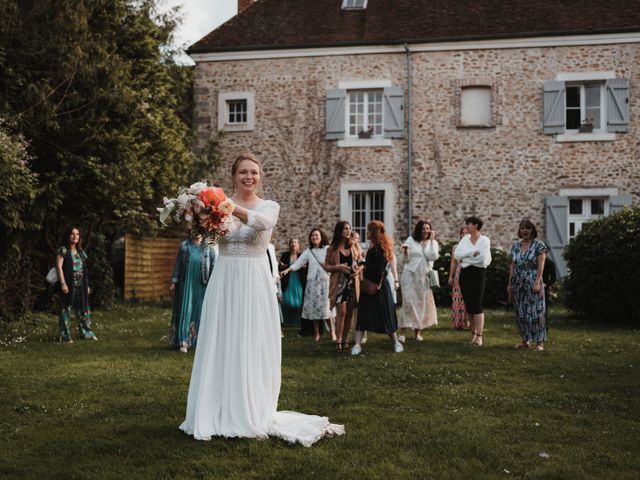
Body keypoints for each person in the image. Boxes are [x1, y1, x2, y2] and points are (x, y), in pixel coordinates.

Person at [179, 152, 344, 446]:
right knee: (223, 339)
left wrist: (226, 207)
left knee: (251, 341)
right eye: (243, 172)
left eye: (254, 172)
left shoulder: (269, 206)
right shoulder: (215, 204)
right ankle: (215, 407)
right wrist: (198, 211)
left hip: (254, 280)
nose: (249, 177)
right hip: (225, 278)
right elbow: (204, 234)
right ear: (234, 175)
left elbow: (261, 222)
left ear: (260, 176)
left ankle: (251, 407)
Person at [351, 220, 403, 355]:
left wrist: (363, 261)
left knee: (385, 314)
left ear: (373, 233)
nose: (366, 232)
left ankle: (396, 343)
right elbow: (369, 266)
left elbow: (379, 269)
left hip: (380, 287)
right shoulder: (372, 246)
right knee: (363, 314)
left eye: (368, 230)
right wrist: (362, 265)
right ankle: (357, 345)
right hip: (368, 284)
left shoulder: (381, 248)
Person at [281, 228, 332, 342]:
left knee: (326, 308)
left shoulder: (328, 249)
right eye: (312, 235)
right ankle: (316, 334)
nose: (314, 237)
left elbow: (334, 261)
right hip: (312, 284)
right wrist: (288, 270)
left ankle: (332, 332)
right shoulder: (308, 251)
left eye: (316, 235)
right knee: (313, 310)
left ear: (321, 236)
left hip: (324, 283)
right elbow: (298, 263)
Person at [169, 235, 217, 353]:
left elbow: (214, 266)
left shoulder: (208, 247)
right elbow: (178, 265)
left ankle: (196, 340)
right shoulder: (184, 246)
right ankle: (183, 341)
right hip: (186, 283)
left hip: (202, 283)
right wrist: (173, 282)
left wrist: (213, 284)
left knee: (199, 311)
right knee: (185, 310)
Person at [507, 220, 547, 351]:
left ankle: (539, 343)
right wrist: (510, 284)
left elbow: (541, 265)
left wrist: (537, 282)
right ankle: (525, 340)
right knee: (521, 312)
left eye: (528, 228)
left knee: (537, 312)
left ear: (532, 230)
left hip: (533, 280)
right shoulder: (515, 246)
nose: (525, 231)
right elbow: (513, 265)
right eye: (522, 228)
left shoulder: (539, 245)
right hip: (518, 282)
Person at [398, 220, 439, 342]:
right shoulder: (411, 240)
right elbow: (405, 260)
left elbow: (433, 256)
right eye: (423, 229)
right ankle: (402, 333)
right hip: (410, 275)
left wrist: (431, 240)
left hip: (424, 276)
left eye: (428, 228)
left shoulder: (434, 243)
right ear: (419, 230)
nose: (426, 231)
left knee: (421, 304)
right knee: (408, 303)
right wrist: (405, 252)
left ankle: (417, 333)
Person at [454, 216, 492, 346]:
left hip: (478, 273)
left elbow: (482, 259)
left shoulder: (484, 240)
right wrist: (471, 254)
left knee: (477, 304)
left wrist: (466, 257)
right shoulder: (465, 239)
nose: (466, 227)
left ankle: (480, 336)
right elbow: (457, 255)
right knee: (469, 306)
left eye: (468, 224)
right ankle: (473, 334)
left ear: (475, 225)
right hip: (465, 273)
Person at [55, 227, 97, 343]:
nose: (75, 236)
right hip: (68, 285)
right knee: (65, 310)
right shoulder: (63, 250)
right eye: (72, 234)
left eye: (77, 234)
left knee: (84, 310)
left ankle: (87, 333)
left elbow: (84, 271)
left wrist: (86, 285)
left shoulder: (80, 252)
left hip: (81, 286)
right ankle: (65, 337)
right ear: (68, 236)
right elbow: (58, 267)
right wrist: (63, 283)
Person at [324, 221, 361, 352]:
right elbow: (326, 266)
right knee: (342, 312)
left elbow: (361, 262)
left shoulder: (354, 246)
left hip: (351, 282)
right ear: (339, 231)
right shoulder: (331, 249)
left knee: (350, 312)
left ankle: (345, 339)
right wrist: (338, 267)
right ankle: (338, 340)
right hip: (339, 283)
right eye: (345, 228)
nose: (348, 231)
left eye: (350, 228)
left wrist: (358, 270)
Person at [279, 238, 306, 330]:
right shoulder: (285, 255)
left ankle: (297, 323)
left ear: (299, 245)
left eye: (295, 242)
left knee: (298, 302)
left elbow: (306, 267)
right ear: (289, 245)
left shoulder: (302, 255)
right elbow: (280, 267)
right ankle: (286, 322)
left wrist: (303, 267)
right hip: (288, 280)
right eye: (292, 242)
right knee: (287, 301)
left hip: (299, 281)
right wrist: (282, 266)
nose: (293, 244)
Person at [449, 226, 470, 330]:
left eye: (466, 233)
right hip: (458, 272)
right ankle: (458, 322)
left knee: (468, 298)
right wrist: (450, 276)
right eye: (462, 233)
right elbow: (453, 262)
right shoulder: (455, 247)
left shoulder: (472, 246)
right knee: (458, 297)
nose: (464, 235)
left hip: (469, 272)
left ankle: (468, 323)